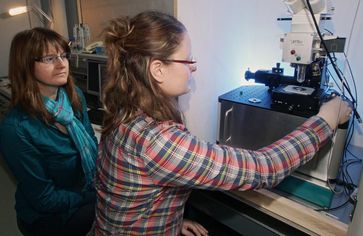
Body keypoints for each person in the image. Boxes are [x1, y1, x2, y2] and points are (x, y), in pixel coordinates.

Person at [94, 11, 352, 235]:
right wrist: (325, 120)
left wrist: (168, 219)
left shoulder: (125, 110)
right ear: (158, 69)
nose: (193, 68)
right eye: (188, 60)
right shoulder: (157, 139)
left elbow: (130, 197)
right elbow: (265, 168)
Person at [0, 27, 98, 236]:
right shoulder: (16, 128)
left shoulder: (75, 96)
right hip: (49, 218)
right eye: (49, 58)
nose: (62, 64)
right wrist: (93, 195)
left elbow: (91, 140)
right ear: (26, 65)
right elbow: (45, 199)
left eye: (63, 56)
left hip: (83, 193)